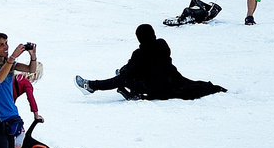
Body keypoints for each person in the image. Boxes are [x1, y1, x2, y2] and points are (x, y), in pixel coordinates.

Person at [75, 24, 225, 100]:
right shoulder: (161, 44)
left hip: (155, 87)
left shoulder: (140, 53)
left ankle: (91, 86)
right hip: (172, 79)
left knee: (122, 78)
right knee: (126, 73)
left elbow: (132, 70)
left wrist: (124, 70)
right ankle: (116, 85)